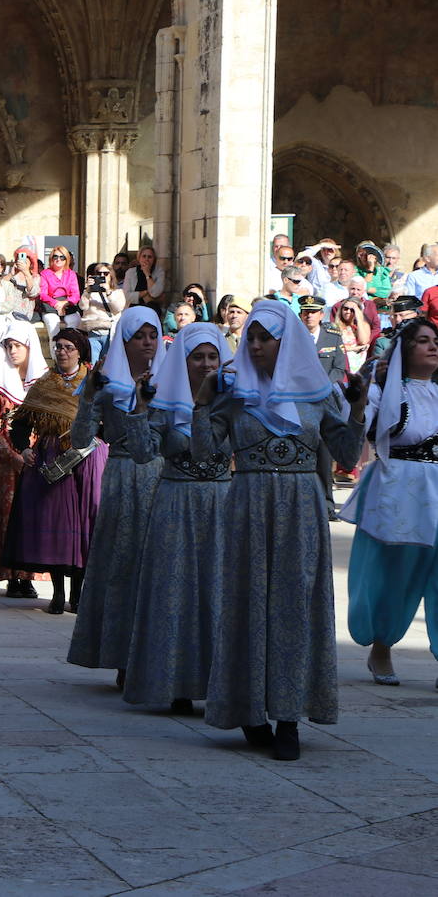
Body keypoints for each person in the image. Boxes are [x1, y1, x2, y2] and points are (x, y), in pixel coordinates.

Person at [194, 300, 365, 761]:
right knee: (247, 601)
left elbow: (346, 454)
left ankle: (288, 716)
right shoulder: (234, 392)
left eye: (264, 337)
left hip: (301, 507)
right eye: (250, 336)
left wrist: (358, 407)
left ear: (285, 341)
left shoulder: (318, 392)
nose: (254, 345)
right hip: (248, 504)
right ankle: (250, 710)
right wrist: (203, 404)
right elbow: (205, 451)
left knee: (294, 605)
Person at [121, 324, 232, 714]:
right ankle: (176, 683)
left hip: (222, 504)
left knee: (220, 591)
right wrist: (140, 407)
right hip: (176, 503)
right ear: (182, 360)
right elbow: (140, 454)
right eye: (197, 357)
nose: (205, 364)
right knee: (176, 592)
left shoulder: (234, 401)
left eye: (212, 357)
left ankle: (221, 681)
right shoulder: (165, 403)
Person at [67, 307, 165, 682]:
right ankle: (122, 653)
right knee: (123, 563)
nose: (146, 342)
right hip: (123, 476)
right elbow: (80, 440)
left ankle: (156, 651)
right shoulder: (108, 381)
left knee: (157, 564)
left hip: (163, 477)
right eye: (138, 335)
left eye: (152, 335)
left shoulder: (174, 379)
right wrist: (89, 398)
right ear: (123, 338)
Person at [342, 319, 438, 688]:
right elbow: (360, 421)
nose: (432, 346)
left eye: (435, 341)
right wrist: (364, 390)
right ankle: (382, 645)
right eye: (422, 341)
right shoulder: (388, 391)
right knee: (397, 572)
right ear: (405, 350)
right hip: (400, 490)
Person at [2, 329, 108, 615]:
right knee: (58, 530)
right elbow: (21, 422)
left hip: (87, 459)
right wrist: (23, 448)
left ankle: (79, 595)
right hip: (51, 460)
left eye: (69, 347)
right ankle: (59, 594)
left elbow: (109, 420)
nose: (62, 352)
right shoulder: (44, 384)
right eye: (58, 346)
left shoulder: (94, 383)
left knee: (85, 526)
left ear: (81, 352)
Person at [0, 319, 47, 597]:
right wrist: (12, 455)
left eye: (17, 346)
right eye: (8, 346)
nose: (12, 351)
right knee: (8, 517)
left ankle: (29, 575)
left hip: (37, 460)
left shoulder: (44, 383)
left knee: (33, 517)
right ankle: (11, 576)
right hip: (8, 462)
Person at [298, 295, 349, 520]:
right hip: (300, 402)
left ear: (321, 314)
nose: (309, 315)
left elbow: (339, 368)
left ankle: (327, 504)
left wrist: (322, 388)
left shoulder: (332, 336)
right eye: (305, 311)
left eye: (313, 311)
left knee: (324, 456)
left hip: (326, 403)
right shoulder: (293, 337)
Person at [78, 262, 125, 362]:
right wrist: (87, 291)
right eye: (99, 274)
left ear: (111, 275)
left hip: (109, 333)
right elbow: (83, 306)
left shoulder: (118, 292)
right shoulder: (89, 293)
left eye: (106, 274)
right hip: (93, 332)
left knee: (107, 364)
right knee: (93, 364)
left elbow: (118, 308)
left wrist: (108, 292)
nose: (102, 276)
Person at [38, 246, 81, 344]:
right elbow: (43, 294)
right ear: (51, 258)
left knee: (74, 320)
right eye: (55, 257)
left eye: (62, 257)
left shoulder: (71, 274)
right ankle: (56, 353)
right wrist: (56, 304)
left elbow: (76, 295)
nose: (58, 259)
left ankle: (71, 350)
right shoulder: (45, 273)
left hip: (67, 306)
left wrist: (64, 303)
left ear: (67, 259)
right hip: (51, 306)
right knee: (53, 323)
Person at [121, 245, 166, 312]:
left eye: (149, 257)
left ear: (154, 259)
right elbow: (127, 296)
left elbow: (155, 293)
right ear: (139, 258)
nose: (146, 259)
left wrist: (147, 274)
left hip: (152, 309)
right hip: (133, 308)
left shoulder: (159, 272)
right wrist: (145, 293)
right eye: (144, 256)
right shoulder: (130, 272)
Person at [6, 247, 42, 322]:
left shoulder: (34, 277)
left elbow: (33, 293)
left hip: (24, 313)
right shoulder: (11, 275)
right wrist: (11, 274)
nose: (22, 261)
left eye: (26, 259)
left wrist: (26, 273)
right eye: (20, 258)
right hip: (8, 312)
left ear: (30, 263)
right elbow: (0, 287)